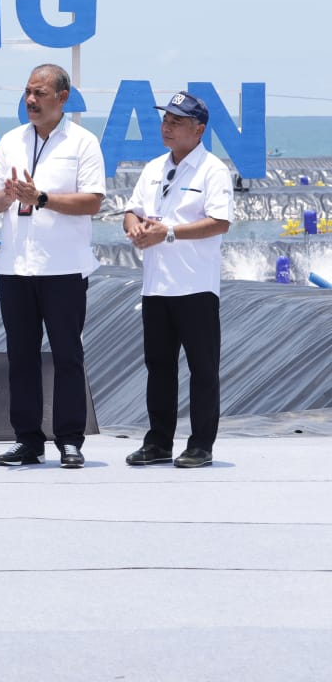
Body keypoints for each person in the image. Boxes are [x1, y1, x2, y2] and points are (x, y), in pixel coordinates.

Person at [0, 64, 106, 469]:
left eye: (40, 93)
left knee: (68, 355)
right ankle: (27, 440)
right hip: (16, 268)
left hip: (64, 269)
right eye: (27, 93)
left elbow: (92, 201)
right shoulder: (11, 141)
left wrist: (42, 198)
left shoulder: (83, 142)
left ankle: (70, 440)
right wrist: (9, 195)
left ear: (63, 98)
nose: (31, 101)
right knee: (21, 356)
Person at [123, 92, 233, 469]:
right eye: (165, 119)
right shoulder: (153, 167)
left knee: (203, 370)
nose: (166, 126)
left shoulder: (212, 170)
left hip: (195, 287)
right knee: (159, 367)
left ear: (198, 129)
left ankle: (201, 443)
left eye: (177, 121)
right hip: (156, 286)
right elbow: (132, 211)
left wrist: (167, 233)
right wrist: (135, 228)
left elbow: (219, 222)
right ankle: (158, 442)